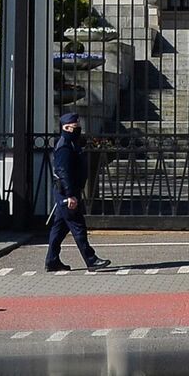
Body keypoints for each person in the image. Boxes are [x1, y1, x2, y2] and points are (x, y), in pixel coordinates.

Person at [45, 112, 111, 271]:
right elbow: (63, 172)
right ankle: (91, 260)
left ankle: (52, 260)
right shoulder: (64, 147)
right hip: (67, 193)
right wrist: (70, 195)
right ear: (66, 128)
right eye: (75, 126)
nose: (78, 129)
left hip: (69, 191)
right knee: (78, 226)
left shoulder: (71, 143)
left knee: (59, 228)